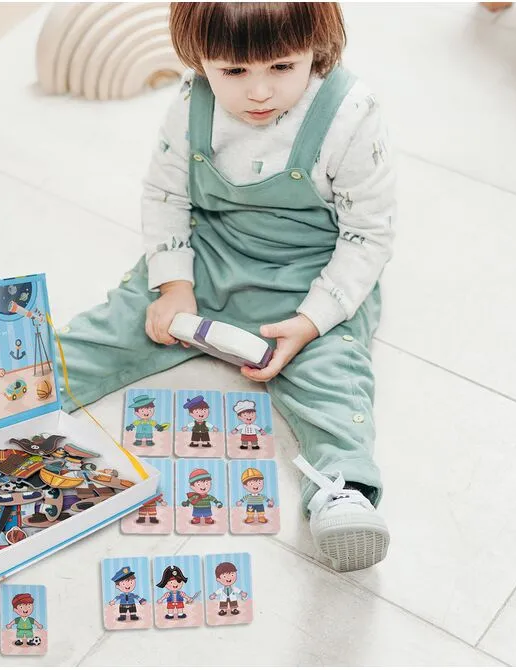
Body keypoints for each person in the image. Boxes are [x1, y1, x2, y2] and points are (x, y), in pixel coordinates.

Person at [56, 2, 393, 572]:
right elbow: (166, 195)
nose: (259, 92)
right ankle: (22, 386)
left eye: (282, 67)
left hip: (308, 275)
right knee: (117, 324)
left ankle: (343, 491)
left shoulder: (351, 114)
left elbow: (368, 236)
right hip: (209, 253)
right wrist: (174, 286)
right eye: (233, 71)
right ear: (198, 57)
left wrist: (311, 320)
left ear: (317, 44)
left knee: (334, 378)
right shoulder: (192, 101)